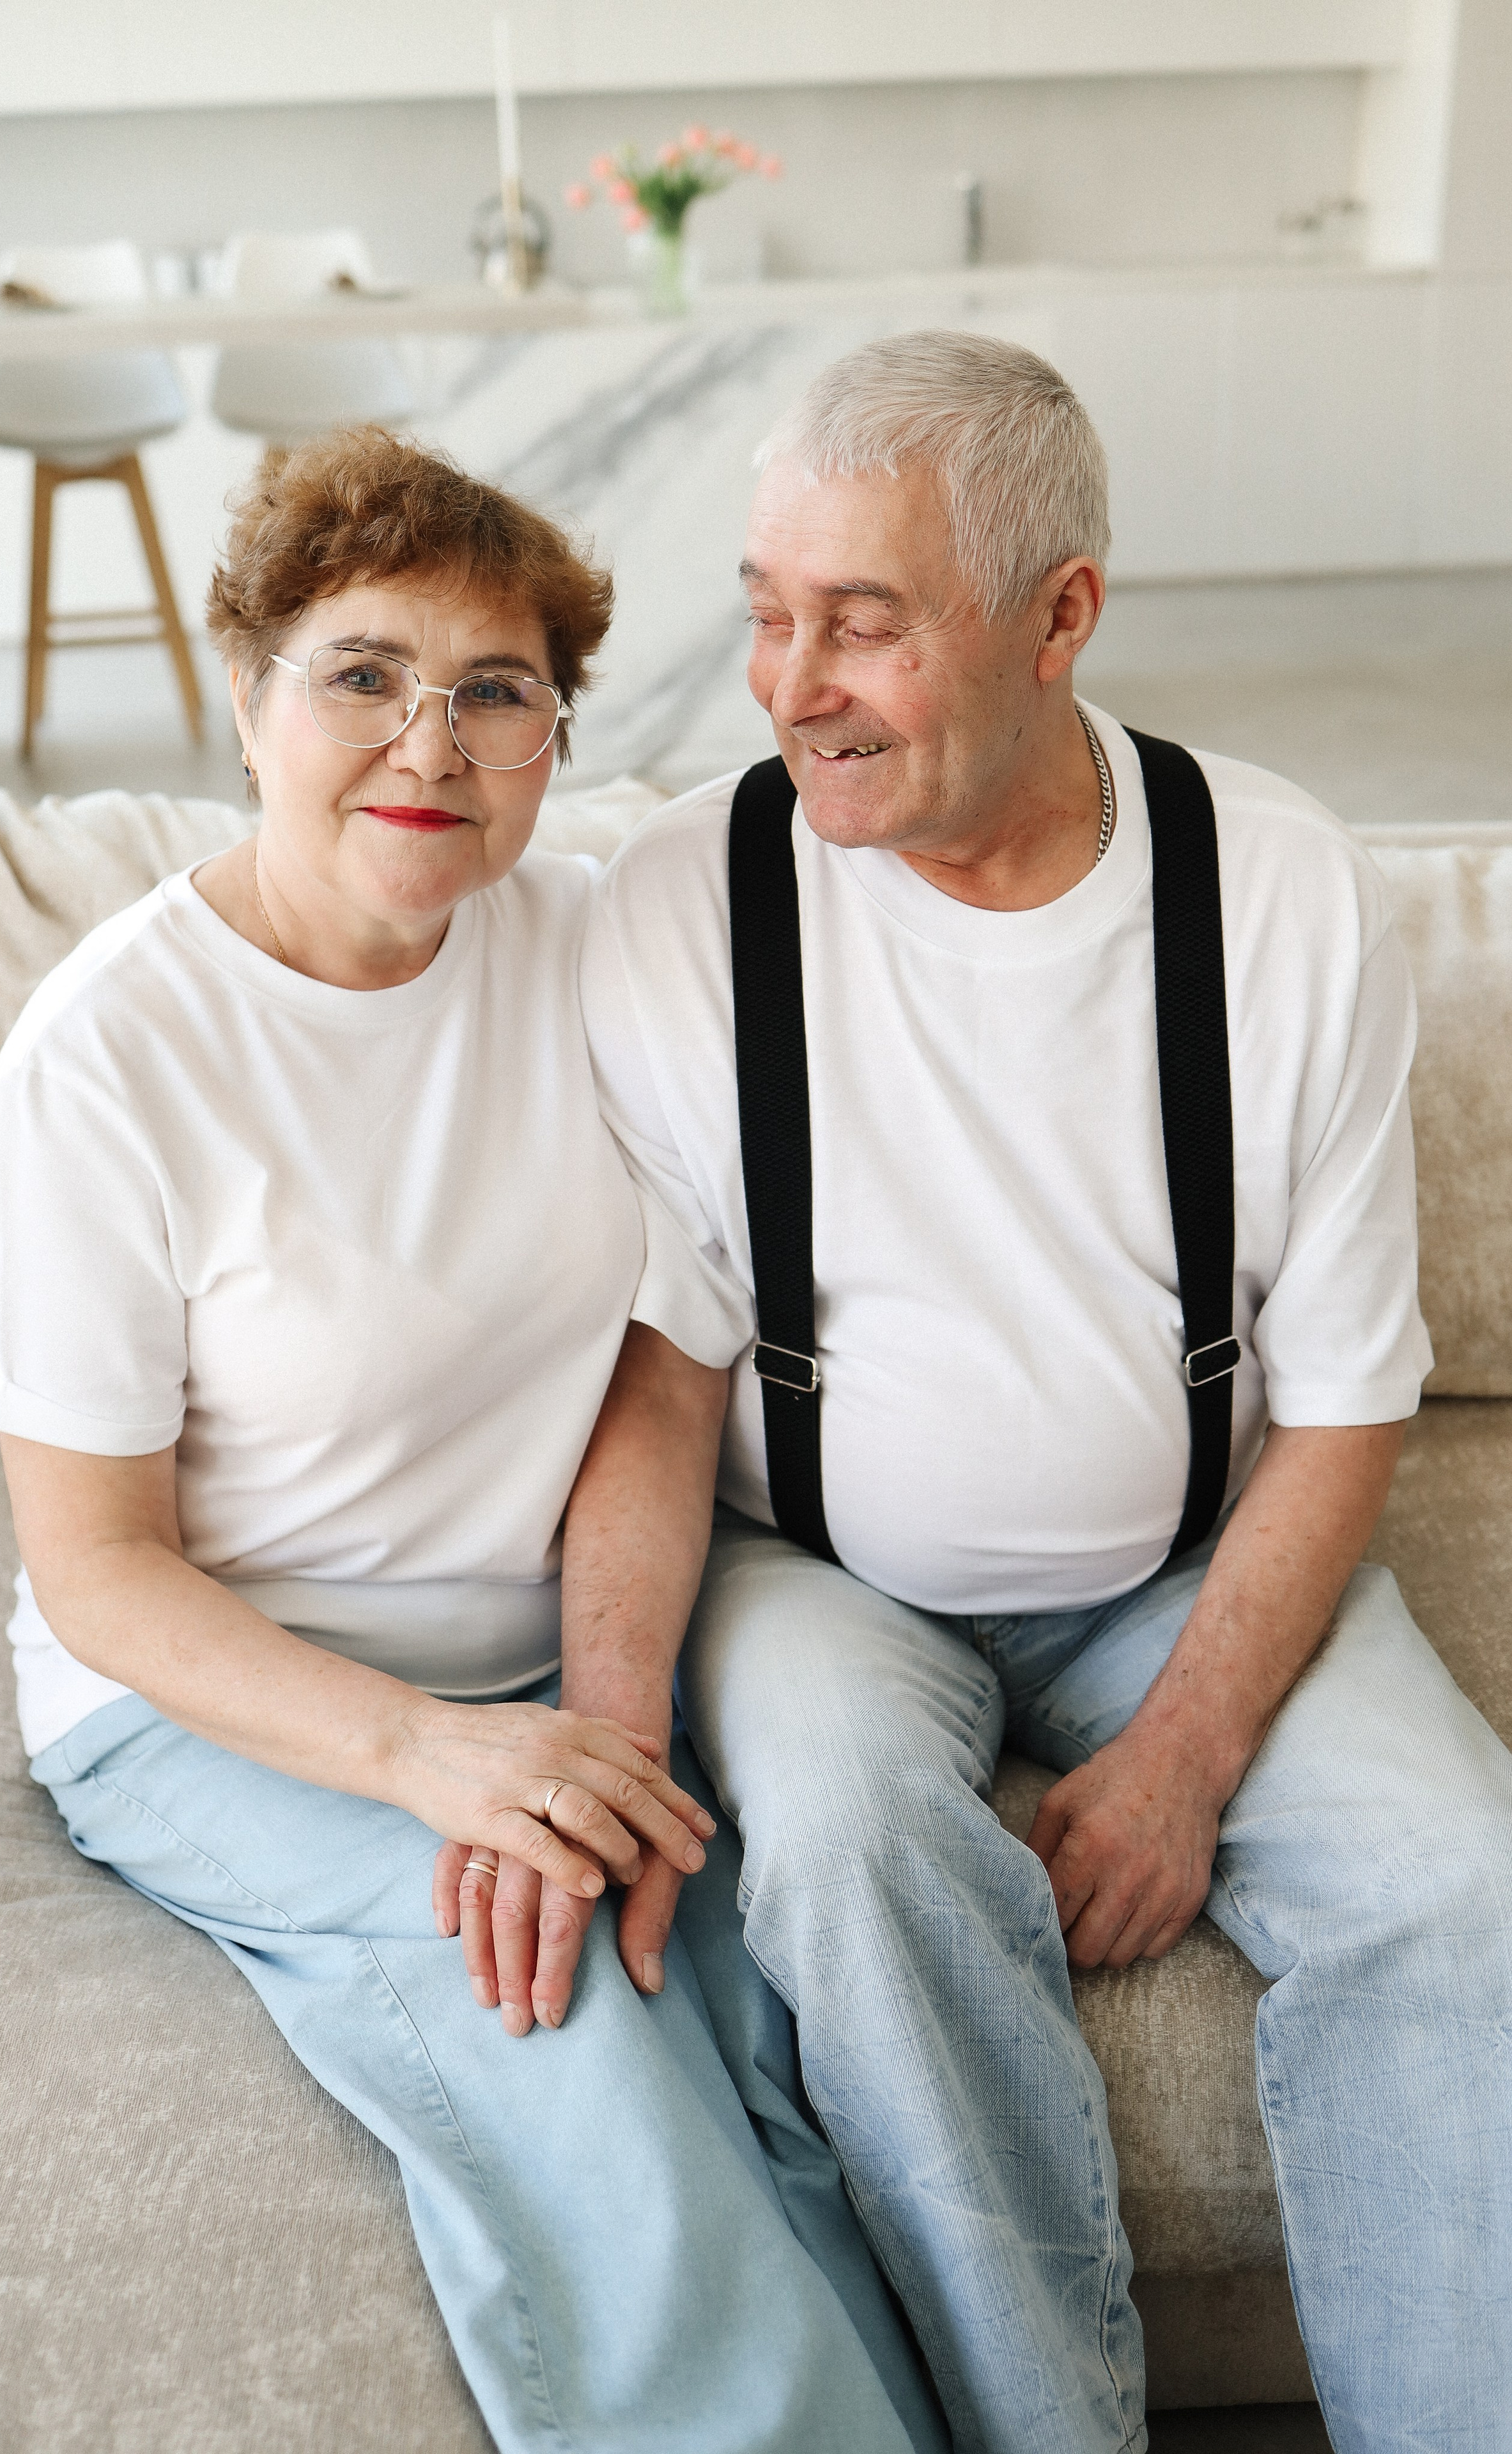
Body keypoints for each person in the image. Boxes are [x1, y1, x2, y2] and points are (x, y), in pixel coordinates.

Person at [452, 333, 1512, 2453]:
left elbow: (1345, 1394)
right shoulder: (689, 902)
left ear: (1062, 618)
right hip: (823, 1572)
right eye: (766, 611)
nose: (792, 681)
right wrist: (612, 1727)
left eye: (867, 621)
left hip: (1187, 1556)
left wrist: (1196, 1743)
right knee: (842, 1851)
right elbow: (663, 1382)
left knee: (1464, 1890)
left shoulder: (1280, 888)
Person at [0, 430, 945, 2454]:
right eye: (363, 675)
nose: (431, 740)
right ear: (247, 701)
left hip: (532, 1668)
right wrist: (439, 1766)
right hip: (216, 1707)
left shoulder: (590, 949)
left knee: (753, 2022)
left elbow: (665, 1365)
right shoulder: (106, 1065)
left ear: (553, 743)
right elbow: (97, 1570)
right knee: (562, 2023)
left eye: (496, 691)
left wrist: (598, 1723)